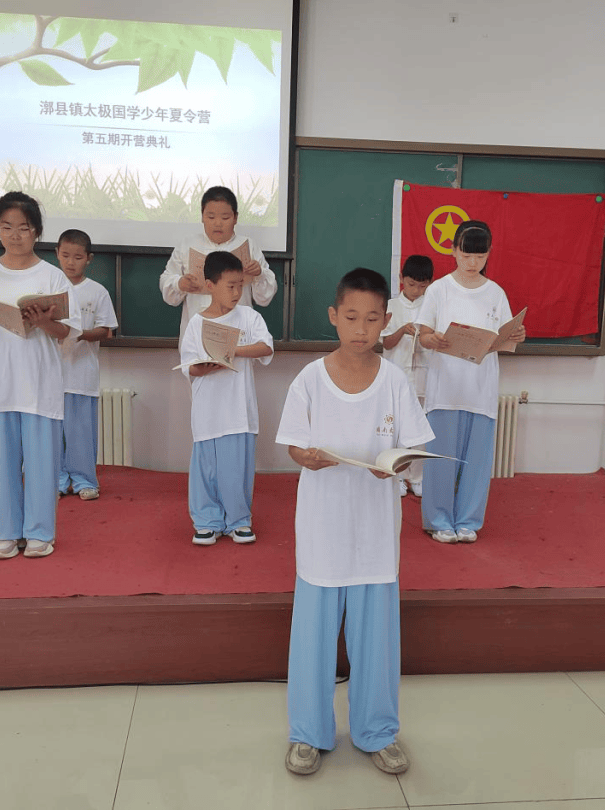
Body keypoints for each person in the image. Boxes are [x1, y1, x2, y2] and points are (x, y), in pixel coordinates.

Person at [276, 267, 434, 777]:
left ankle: (377, 731)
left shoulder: (394, 381)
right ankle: (308, 733)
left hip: (374, 533)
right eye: (351, 317)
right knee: (313, 639)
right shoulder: (309, 379)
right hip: (323, 530)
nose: (361, 328)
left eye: (372, 318)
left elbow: (413, 447)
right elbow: (295, 445)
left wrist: (401, 462)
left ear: (386, 320)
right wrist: (308, 457)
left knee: (377, 640)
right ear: (333, 317)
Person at [0, 191, 81, 560]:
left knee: (43, 461)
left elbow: (68, 333)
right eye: (6, 227)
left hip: (39, 382)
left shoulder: (52, 276)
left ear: (36, 232)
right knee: (0, 462)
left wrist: (45, 321)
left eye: (23, 228)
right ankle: (7, 533)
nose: (15, 235)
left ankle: (39, 533)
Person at [415, 220, 525, 544]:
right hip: (446, 388)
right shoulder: (439, 289)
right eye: (466, 255)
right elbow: (423, 334)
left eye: (479, 256)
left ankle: (467, 521)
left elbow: (507, 337)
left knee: (476, 462)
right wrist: (432, 338)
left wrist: (517, 334)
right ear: (453, 251)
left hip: (481, 389)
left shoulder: (496, 293)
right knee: (441, 459)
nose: (472, 263)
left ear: (489, 254)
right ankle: (438, 520)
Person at [179, 250, 274, 545]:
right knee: (206, 467)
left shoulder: (248, 316)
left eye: (240, 286)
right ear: (210, 285)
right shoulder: (196, 323)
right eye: (230, 286)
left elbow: (266, 347)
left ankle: (238, 520)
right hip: (208, 411)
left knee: (237, 468)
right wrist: (208, 364)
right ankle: (207, 520)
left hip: (239, 411)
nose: (236, 292)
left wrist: (233, 351)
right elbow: (190, 367)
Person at [159, 186, 277, 339]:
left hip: (238, 333)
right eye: (211, 217)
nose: (218, 223)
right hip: (198, 332)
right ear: (202, 216)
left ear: (235, 218)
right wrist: (179, 283)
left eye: (225, 218)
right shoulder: (187, 245)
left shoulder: (249, 246)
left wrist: (259, 273)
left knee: (238, 360)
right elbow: (167, 281)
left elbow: (264, 298)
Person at [55, 229, 117, 501]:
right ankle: (55, 480)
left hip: (82, 373)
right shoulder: (48, 287)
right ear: (57, 254)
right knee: (52, 433)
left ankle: (84, 481)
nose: (71, 262)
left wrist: (81, 334)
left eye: (77, 257)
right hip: (50, 375)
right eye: (65, 255)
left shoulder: (97, 291)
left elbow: (107, 330)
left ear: (88, 259)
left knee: (81, 432)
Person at [380, 254, 434, 497]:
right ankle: (399, 475)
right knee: (398, 429)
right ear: (401, 279)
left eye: (423, 286)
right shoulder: (391, 306)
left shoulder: (431, 306)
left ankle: (419, 476)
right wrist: (402, 330)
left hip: (425, 374)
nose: (416, 290)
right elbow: (387, 344)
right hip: (397, 375)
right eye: (412, 284)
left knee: (421, 427)